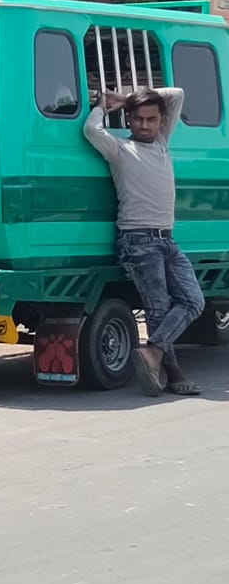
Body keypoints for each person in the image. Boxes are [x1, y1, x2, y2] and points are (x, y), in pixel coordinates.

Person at [84, 87, 205, 396]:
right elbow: (91, 128)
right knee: (158, 309)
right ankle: (173, 372)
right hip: (138, 240)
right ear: (129, 121)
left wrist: (126, 98)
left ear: (161, 121)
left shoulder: (162, 143)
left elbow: (177, 94)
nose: (145, 126)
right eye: (137, 119)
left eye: (152, 120)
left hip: (167, 239)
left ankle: (154, 351)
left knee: (194, 301)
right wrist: (104, 106)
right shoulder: (120, 149)